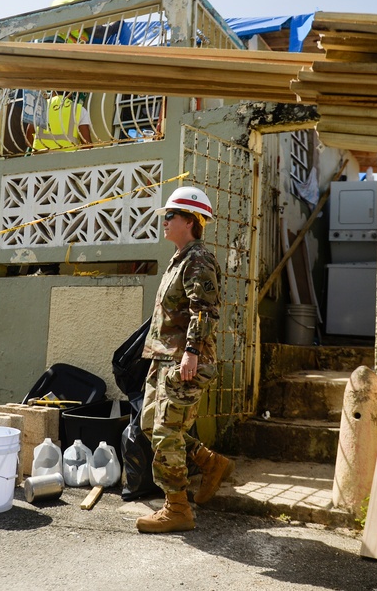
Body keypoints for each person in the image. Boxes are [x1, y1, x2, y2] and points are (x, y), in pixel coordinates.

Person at [136, 186, 235, 534]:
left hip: (184, 360)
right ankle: (210, 463)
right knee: (150, 425)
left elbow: (205, 310)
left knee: (166, 432)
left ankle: (177, 508)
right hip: (164, 359)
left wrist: (191, 352)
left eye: (170, 216)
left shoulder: (199, 259)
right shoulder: (179, 259)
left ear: (190, 221)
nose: (164, 221)